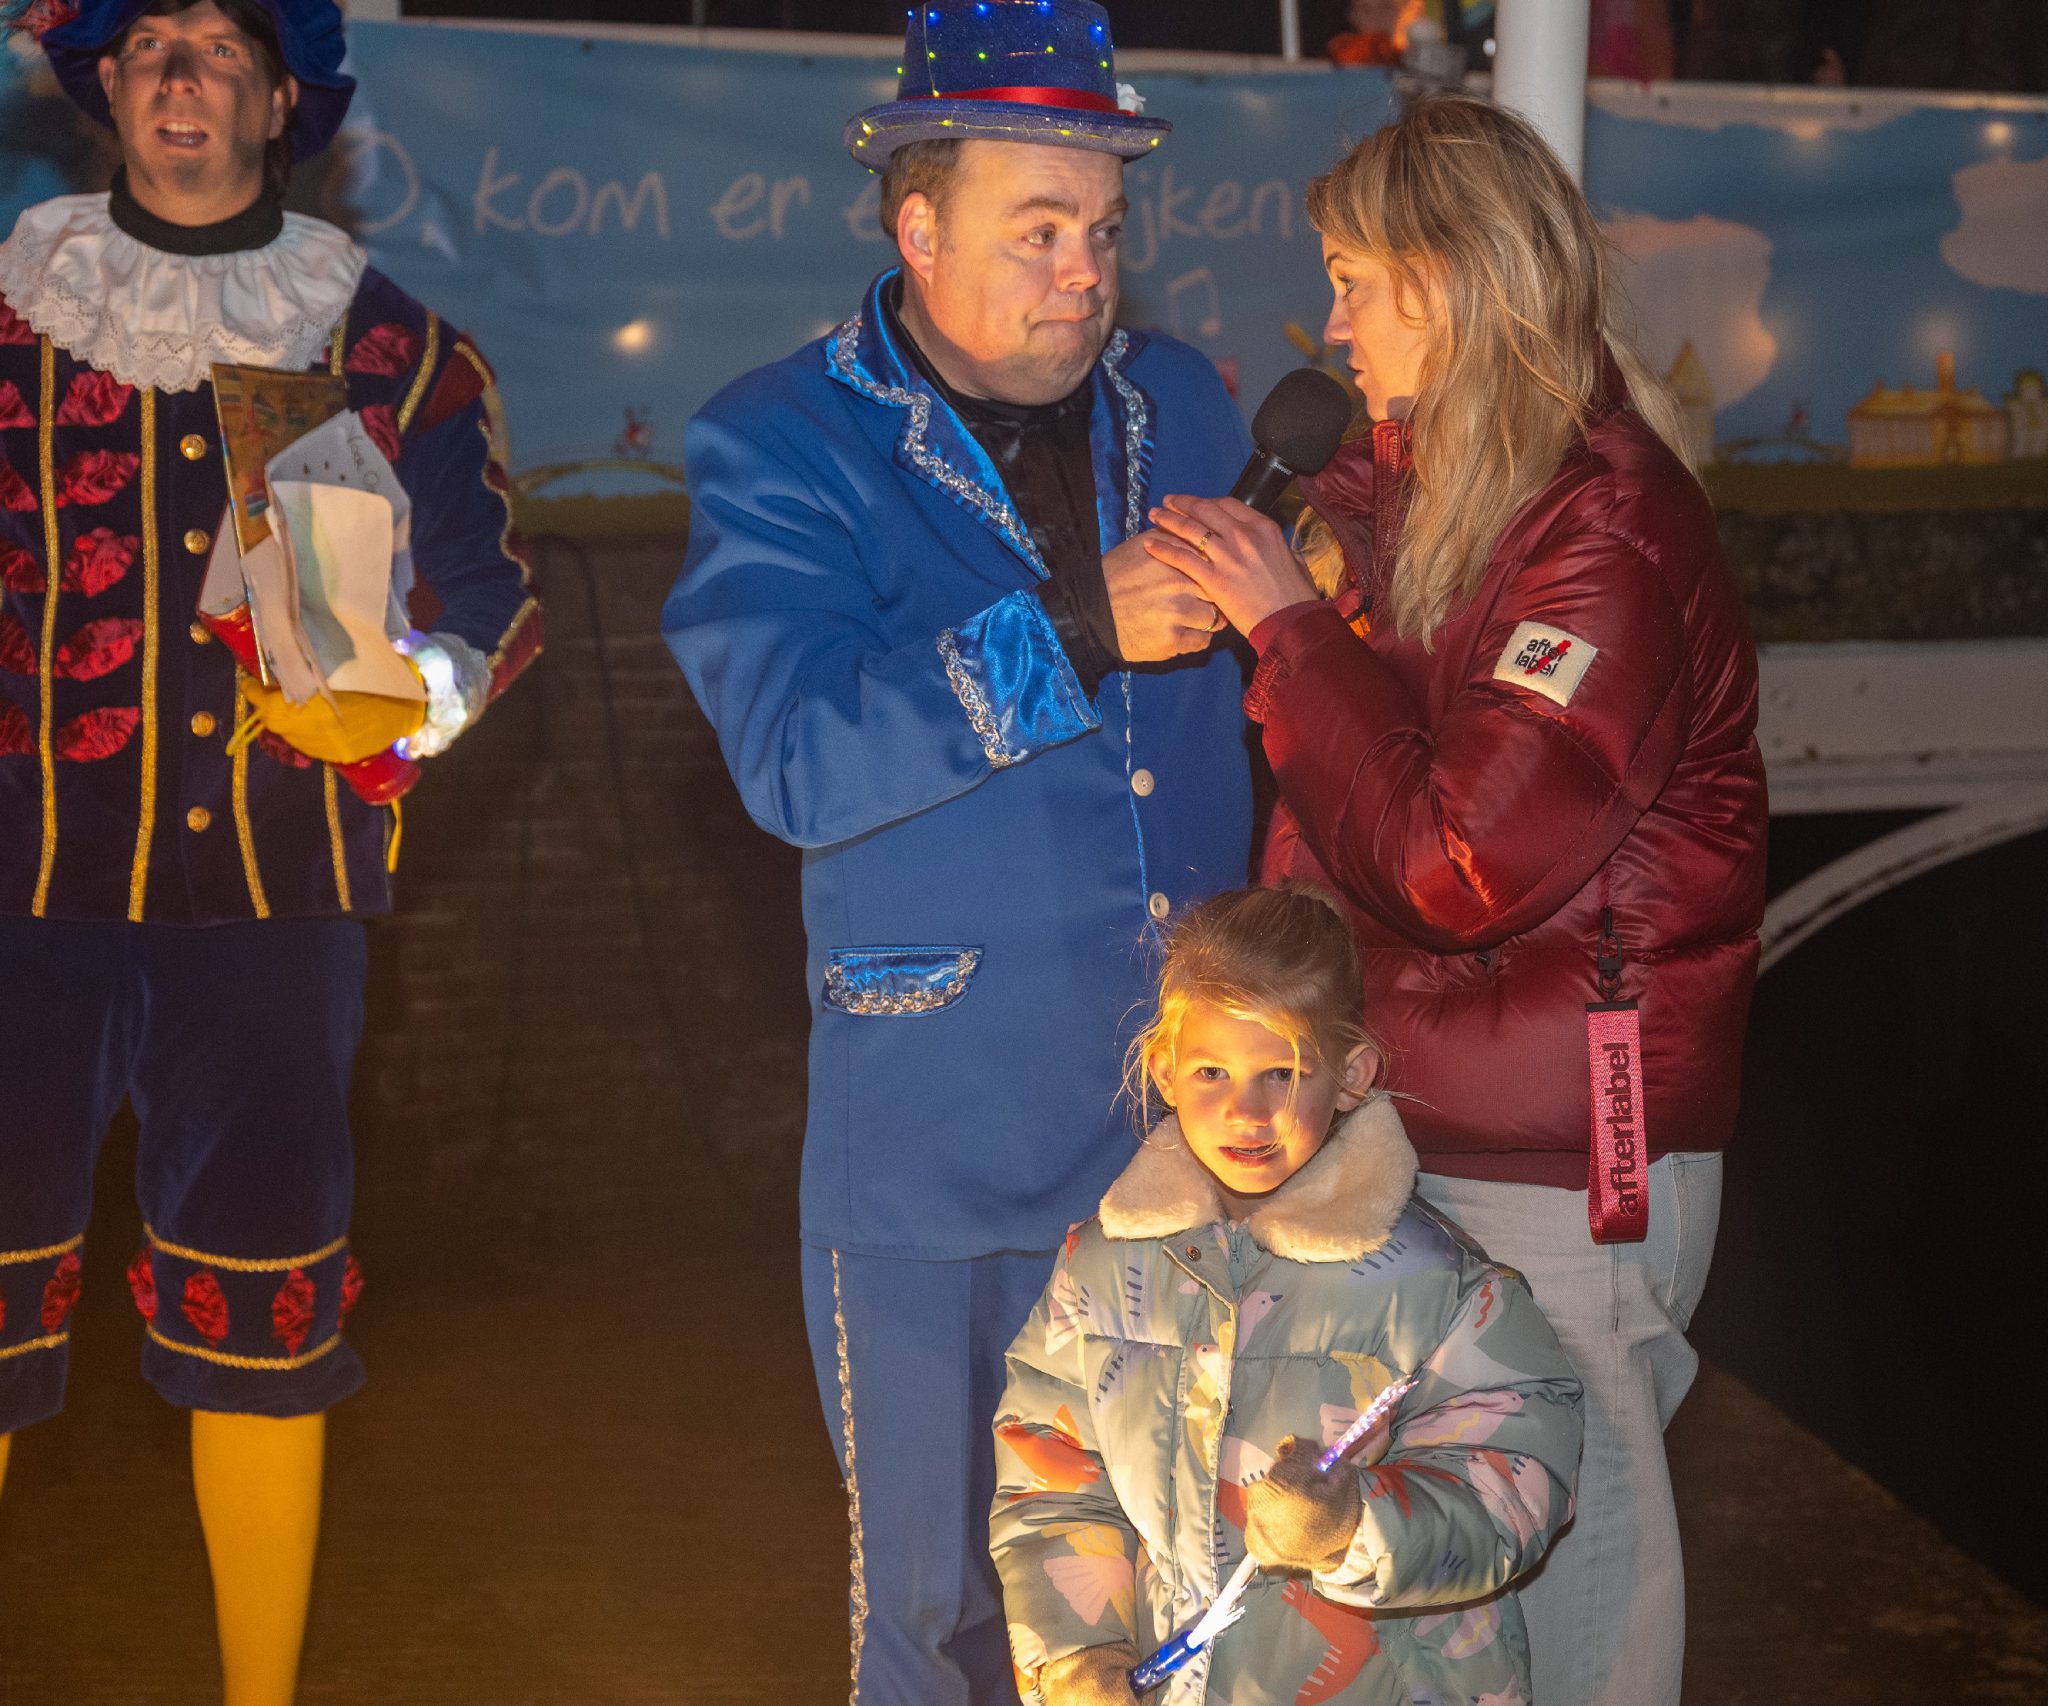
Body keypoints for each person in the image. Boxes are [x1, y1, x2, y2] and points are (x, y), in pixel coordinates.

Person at [659, 3, 1253, 1698]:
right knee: (939, 1618)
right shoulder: (779, 440)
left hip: (1202, 1132)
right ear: (916, 229)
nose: (1086, 274)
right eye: (1038, 231)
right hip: (939, 1145)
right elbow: (794, 756)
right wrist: (1069, 628)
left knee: (1182, 1600)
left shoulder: (1189, 403)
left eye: (1108, 231)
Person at [1142, 96, 1766, 1706]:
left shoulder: (1606, 532)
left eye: (1355, 281)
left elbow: (1458, 864)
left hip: (1560, 1153)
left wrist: (1292, 634)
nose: (1332, 322)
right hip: (1432, 1120)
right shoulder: (1433, 495)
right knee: (1436, 1598)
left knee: (1575, 1578)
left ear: (1455, 279)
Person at [0, 1, 540, 1700]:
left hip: (277, 903)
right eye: (150, 44)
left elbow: (492, 591)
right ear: (104, 87)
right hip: (16, 901)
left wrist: (402, 703)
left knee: (262, 1312)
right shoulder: (7, 313)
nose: (181, 75)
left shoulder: (394, 348)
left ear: (282, 97)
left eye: (219, 48)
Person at [989, 884, 1583, 1706]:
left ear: (1351, 1076)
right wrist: (1079, 1651)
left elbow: (1520, 1474)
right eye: (1212, 1072)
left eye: (1283, 1073)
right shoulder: (1097, 1273)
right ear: (1164, 1071)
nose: (1247, 1110)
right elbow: (1051, 1480)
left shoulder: (1435, 1287)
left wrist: (1352, 1525)